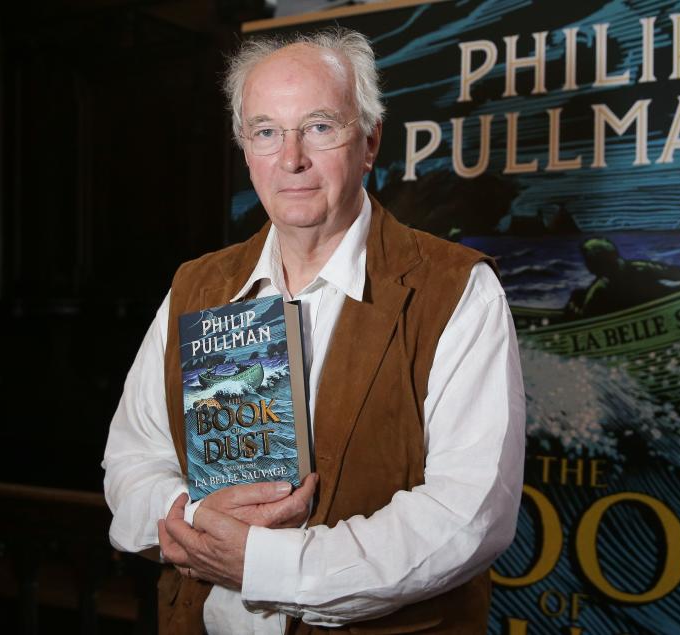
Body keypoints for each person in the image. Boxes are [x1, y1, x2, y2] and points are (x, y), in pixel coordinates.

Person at [102, 28, 525, 634]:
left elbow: (470, 514)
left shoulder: (457, 291)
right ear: (245, 148)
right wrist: (186, 515)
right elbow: (131, 461)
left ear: (370, 140)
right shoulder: (195, 287)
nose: (291, 158)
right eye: (266, 131)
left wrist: (267, 563)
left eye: (320, 127)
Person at [563, 238, 680, 319]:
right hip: (664, 310)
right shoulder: (639, 267)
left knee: (577, 296)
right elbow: (676, 273)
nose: (587, 265)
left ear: (595, 263)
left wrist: (574, 309)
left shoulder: (600, 288)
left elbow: (585, 316)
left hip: (664, 311)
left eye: (588, 261)